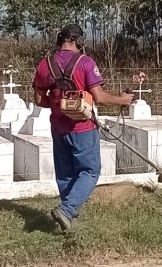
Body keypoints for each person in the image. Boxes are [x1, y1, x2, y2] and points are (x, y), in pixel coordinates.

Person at [32, 24, 133, 232]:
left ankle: (66, 218)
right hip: (82, 128)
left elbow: (39, 100)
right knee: (89, 170)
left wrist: (59, 101)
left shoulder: (45, 64)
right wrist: (121, 100)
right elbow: (99, 97)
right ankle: (67, 210)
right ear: (78, 41)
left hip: (58, 128)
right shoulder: (85, 62)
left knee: (66, 174)